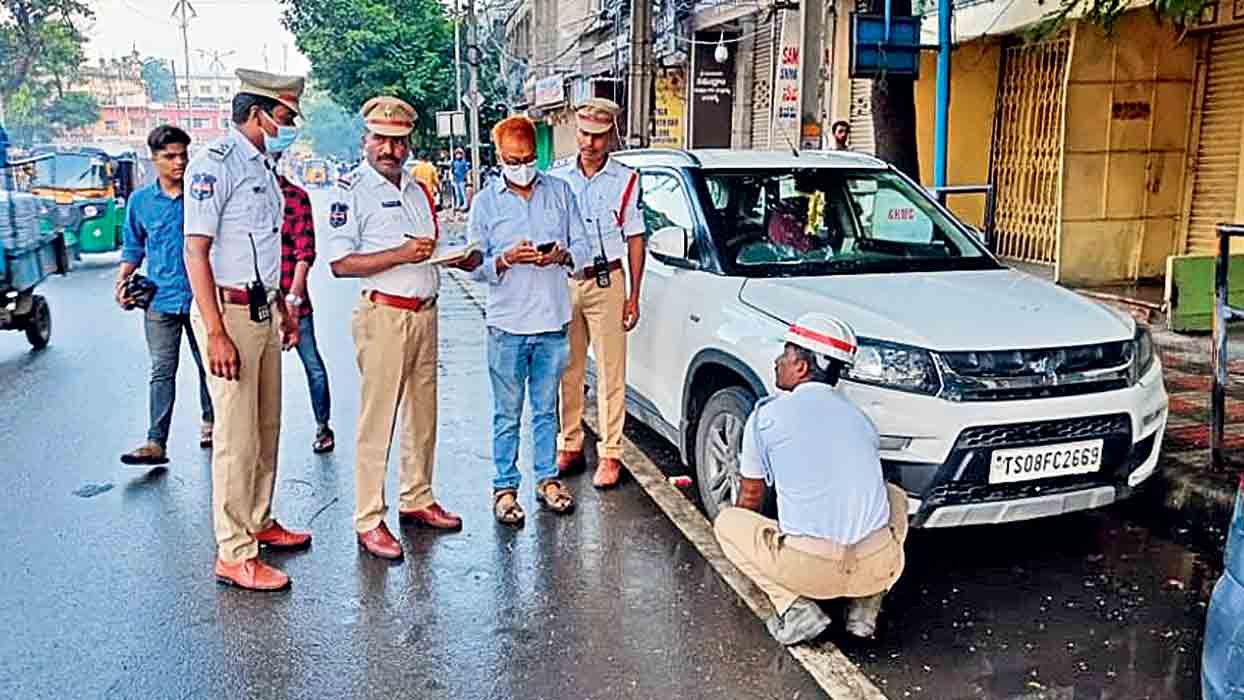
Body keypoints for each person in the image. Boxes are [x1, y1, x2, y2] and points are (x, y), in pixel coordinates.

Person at [183, 69, 310, 592]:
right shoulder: (215, 164)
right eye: (282, 116)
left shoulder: (264, 166)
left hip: (263, 309)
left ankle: (259, 520)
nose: (287, 126)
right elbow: (196, 250)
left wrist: (284, 305)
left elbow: (266, 249)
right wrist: (214, 332)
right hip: (229, 313)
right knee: (235, 438)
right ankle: (234, 552)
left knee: (265, 427)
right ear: (257, 113)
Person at [713, 313, 908, 645]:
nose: (778, 361)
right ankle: (865, 605)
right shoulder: (861, 420)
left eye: (785, 354)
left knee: (729, 523)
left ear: (802, 367)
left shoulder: (766, 417)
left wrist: (779, 536)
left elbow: (749, 500)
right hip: (876, 565)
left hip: (811, 570)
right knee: (896, 497)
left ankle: (796, 610)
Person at [327, 96, 463, 561]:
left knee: (423, 414)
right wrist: (402, 255)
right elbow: (341, 264)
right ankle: (369, 517)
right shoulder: (351, 189)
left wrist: (460, 256)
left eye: (399, 141)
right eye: (381, 139)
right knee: (378, 420)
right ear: (366, 139)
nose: (390, 149)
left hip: (426, 312)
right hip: (384, 315)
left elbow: (431, 246)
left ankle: (417, 497)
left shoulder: (416, 188)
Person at [458, 115, 591, 526]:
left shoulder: (561, 192)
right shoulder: (486, 202)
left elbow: (584, 250)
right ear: (499, 156)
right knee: (506, 412)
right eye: (514, 159)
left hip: (552, 321)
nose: (522, 165)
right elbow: (473, 263)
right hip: (507, 325)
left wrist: (562, 255)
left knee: (547, 410)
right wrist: (504, 259)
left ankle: (547, 480)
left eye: (530, 157)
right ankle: (505, 488)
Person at [549, 98, 646, 488]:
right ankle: (569, 444)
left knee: (610, 374)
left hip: (608, 283)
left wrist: (634, 295)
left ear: (611, 136)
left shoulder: (626, 179)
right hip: (566, 280)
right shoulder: (556, 178)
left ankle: (610, 454)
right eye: (584, 133)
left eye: (599, 136)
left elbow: (636, 239)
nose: (590, 143)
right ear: (576, 131)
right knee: (568, 371)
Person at [116, 125, 214, 466]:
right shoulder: (140, 202)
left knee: (209, 366)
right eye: (169, 156)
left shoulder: (203, 196)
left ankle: (212, 422)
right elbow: (133, 247)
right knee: (162, 369)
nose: (179, 162)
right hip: (160, 300)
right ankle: (156, 442)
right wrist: (122, 283)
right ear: (153, 159)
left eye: (183, 155)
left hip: (203, 299)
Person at [273, 151, 335, 454]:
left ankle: (323, 426)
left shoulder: (294, 197)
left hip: (291, 296)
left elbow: (304, 252)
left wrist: (293, 300)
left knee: (313, 365)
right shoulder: (236, 198)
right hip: (253, 302)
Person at [450, 147, 470, 212]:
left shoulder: (464, 162)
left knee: (463, 193)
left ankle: (465, 205)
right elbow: (452, 170)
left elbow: (467, 171)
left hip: (462, 180)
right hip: (456, 180)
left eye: (459, 154)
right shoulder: (454, 162)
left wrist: (467, 179)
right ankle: (458, 205)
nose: (458, 155)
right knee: (457, 193)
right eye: (457, 154)